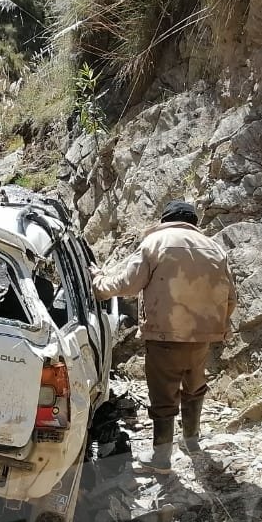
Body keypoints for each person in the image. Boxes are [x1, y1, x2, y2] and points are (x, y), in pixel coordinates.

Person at [92, 200, 237, 474]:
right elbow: (231, 297)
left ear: (165, 218)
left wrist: (99, 285)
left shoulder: (156, 242)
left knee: (163, 396)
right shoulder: (215, 248)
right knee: (194, 386)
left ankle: (160, 459)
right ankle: (192, 441)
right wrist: (216, 325)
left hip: (165, 334)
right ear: (193, 222)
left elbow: (127, 284)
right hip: (202, 336)